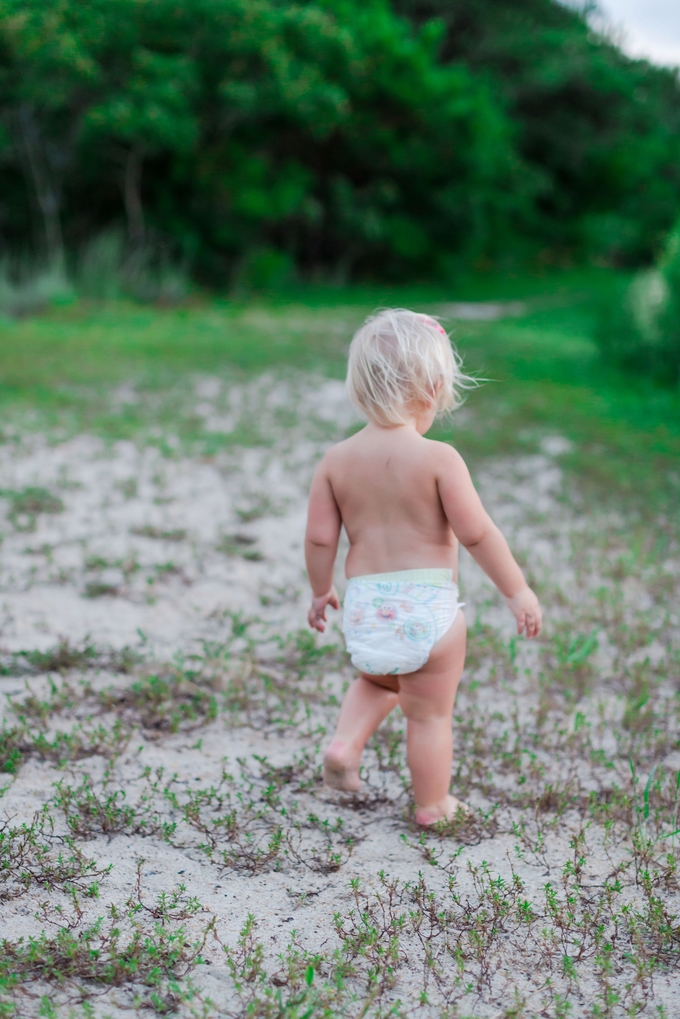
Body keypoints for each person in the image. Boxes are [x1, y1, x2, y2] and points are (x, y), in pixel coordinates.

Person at [304, 309, 542, 825]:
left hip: (366, 607)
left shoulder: (336, 461)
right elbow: (477, 533)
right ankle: (433, 805)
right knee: (429, 714)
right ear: (433, 389)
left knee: (377, 680)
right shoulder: (440, 459)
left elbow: (321, 537)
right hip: (428, 610)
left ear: (360, 388)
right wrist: (516, 590)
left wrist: (321, 590)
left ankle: (345, 747)